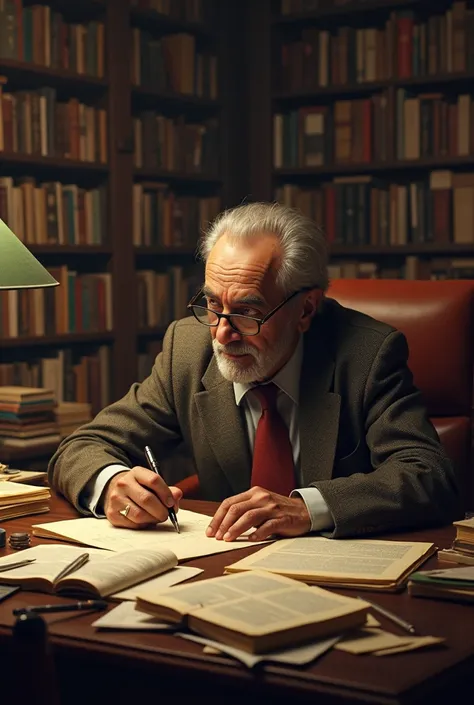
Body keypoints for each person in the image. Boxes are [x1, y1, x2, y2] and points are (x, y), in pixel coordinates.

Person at [48, 202, 460, 540]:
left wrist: (305, 507)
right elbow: (81, 446)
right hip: (219, 570)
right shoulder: (188, 349)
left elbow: (428, 475)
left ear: (306, 309)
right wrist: (111, 483)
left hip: (338, 573)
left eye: (248, 312)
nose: (223, 334)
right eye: (212, 304)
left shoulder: (367, 354)